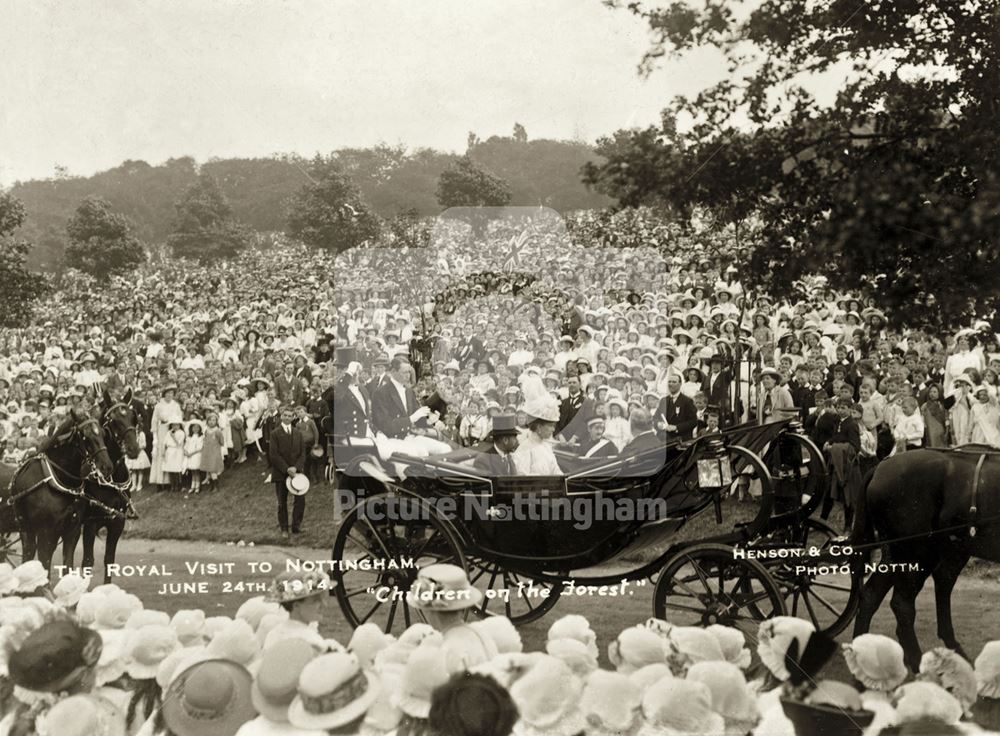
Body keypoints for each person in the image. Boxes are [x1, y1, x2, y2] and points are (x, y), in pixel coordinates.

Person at [269, 405, 306, 539]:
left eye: (290, 416)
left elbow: (303, 454)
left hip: (297, 473)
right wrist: (286, 469)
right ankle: (284, 528)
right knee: (281, 502)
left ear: (293, 417)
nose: (287, 418)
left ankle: (296, 526)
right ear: (281, 416)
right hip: (281, 473)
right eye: (285, 415)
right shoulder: (275, 434)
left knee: (300, 500)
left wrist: (296, 468)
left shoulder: (298, 433)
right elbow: (273, 455)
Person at [148, 384, 182, 489]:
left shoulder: (176, 405)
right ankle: (159, 481)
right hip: (162, 430)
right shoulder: (159, 406)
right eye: (167, 393)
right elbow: (154, 421)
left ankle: (170, 482)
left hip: (173, 430)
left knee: (171, 454)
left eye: (171, 393)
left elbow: (179, 418)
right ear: (164, 394)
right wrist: (155, 437)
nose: (169, 395)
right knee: (161, 453)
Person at [653, 374, 698, 442]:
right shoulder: (663, 400)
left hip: (680, 439)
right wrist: (658, 424)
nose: (671, 384)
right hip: (663, 438)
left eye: (674, 382)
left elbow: (693, 422)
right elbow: (655, 418)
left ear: (680, 384)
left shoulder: (687, 401)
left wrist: (676, 427)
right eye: (669, 382)